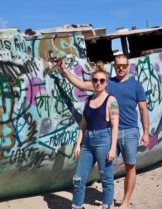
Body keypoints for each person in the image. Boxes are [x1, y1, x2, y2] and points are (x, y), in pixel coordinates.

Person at [60, 54, 149, 209]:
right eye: (118, 65)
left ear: (128, 66)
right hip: (108, 133)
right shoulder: (107, 83)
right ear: (114, 66)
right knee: (107, 171)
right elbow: (81, 84)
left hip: (128, 131)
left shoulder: (136, 85)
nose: (121, 68)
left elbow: (143, 109)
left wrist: (146, 132)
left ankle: (125, 202)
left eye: (124, 65)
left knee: (130, 166)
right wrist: (64, 70)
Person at [71, 65, 119, 209]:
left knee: (106, 178)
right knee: (78, 178)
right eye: (95, 80)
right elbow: (83, 124)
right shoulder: (87, 100)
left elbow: (115, 125)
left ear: (106, 83)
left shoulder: (112, 101)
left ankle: (106, 206)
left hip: (103, 140)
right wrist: (78, 144)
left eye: (102, 80)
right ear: (92, 81)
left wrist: (112, 149)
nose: (98, 83)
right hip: (86, 143)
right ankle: (77, 206)